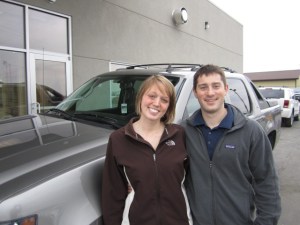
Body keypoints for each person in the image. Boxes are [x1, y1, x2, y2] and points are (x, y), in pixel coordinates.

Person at [181, 64, 281, 225]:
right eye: (203, 87)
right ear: (195, 92)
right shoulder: (184, 132)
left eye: (216, 86)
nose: (210, 93)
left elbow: (267, 182)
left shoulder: (251, 132)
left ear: (226, 89)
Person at [101, 75, 192, 225]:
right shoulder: (118, 139)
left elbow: (192, 180)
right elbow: (112, 194)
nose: (157, 103)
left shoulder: (180, 135)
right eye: (152, 96)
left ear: (169, 106)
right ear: (141, 97)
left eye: (164, 100)